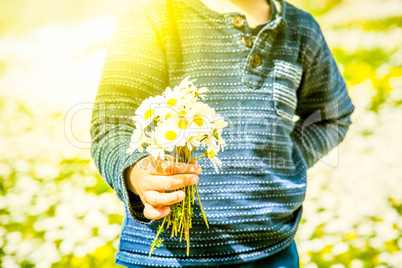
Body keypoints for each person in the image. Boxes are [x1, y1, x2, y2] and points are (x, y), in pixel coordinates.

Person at [89, 0, 355, 267]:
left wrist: (287, 159)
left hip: (272, 253)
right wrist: (136, 172)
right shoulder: (153, 14)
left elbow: (331, 115)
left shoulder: (301, 29)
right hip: (162, 256)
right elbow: (111, 125)